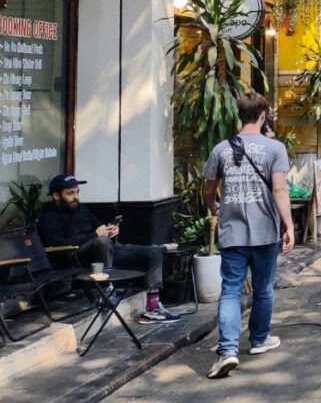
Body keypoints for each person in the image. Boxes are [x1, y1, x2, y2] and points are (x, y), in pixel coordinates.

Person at [202, 93, 295, 379]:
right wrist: (289, 225)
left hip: (232, 233)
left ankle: (228, 350)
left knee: (230, 290)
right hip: (265, 230)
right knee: (263, 289)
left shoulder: (221, 150)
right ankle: (258, 340)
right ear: (264, 115)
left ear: (238, 116)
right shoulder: (274, 148)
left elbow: (208, 189)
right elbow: (279, 189)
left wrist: (213, 206)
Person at [37, 175, 181, 324]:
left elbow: (99, 227)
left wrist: (111, 229)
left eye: (77, 192)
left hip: (106, 250)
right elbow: (57, 245)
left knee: (154, 251)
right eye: (70, 193)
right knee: (101, 242)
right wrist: (95, 235)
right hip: (77, 256)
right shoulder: (49, 218)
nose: (76, 197)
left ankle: (153, 306)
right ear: (56, 196)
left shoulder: (82, 209)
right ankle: (106, 290)